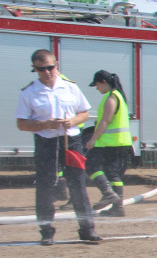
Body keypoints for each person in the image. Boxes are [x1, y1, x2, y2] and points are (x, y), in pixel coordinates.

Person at [15, 49, 101, 245]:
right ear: (34, 69)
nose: (47, 72)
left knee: (78, 185)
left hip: (72, 141)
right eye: (41, 69)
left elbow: (85, 113)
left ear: (56, 65)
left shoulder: (70, 87)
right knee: (45, 187)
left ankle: (87, 229)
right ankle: (46, 231)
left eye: (50, 67)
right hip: (46, 142)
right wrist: (44, 124)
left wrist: (72, 121)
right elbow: (21, 124)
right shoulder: (29, 92)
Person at [85, 70, 132, 216]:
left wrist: (92, 139)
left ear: (104, 82)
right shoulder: (119, 96)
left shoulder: (111, 98)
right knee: (113, 175)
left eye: (97, 85)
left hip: (109, 143)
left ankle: (107, 193)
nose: (97, 88)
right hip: (120, 142)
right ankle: (118, 208)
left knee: (90, 165)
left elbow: (105, 120)